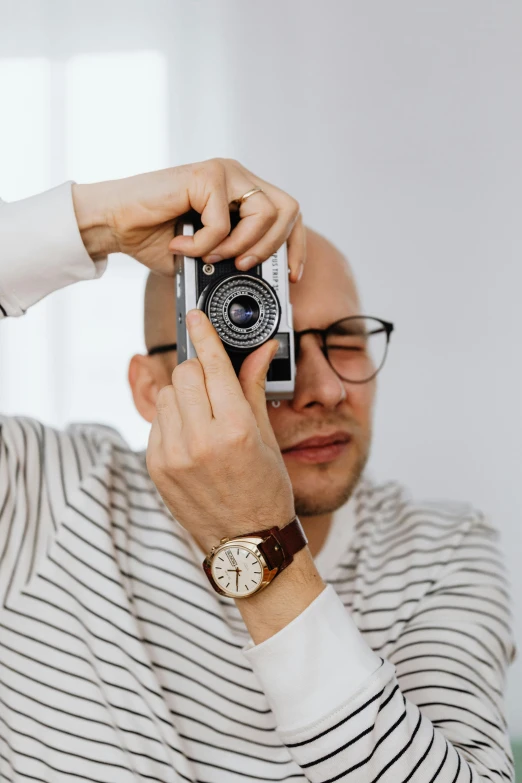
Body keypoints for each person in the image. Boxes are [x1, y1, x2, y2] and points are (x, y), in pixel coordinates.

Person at [0, 161, 515, 783]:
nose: (324, 390)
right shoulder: (39, 493)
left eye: (347, 338)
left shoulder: (439, 552)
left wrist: (257, 543)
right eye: (262, 342)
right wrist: (95, 220)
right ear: (149, 389)